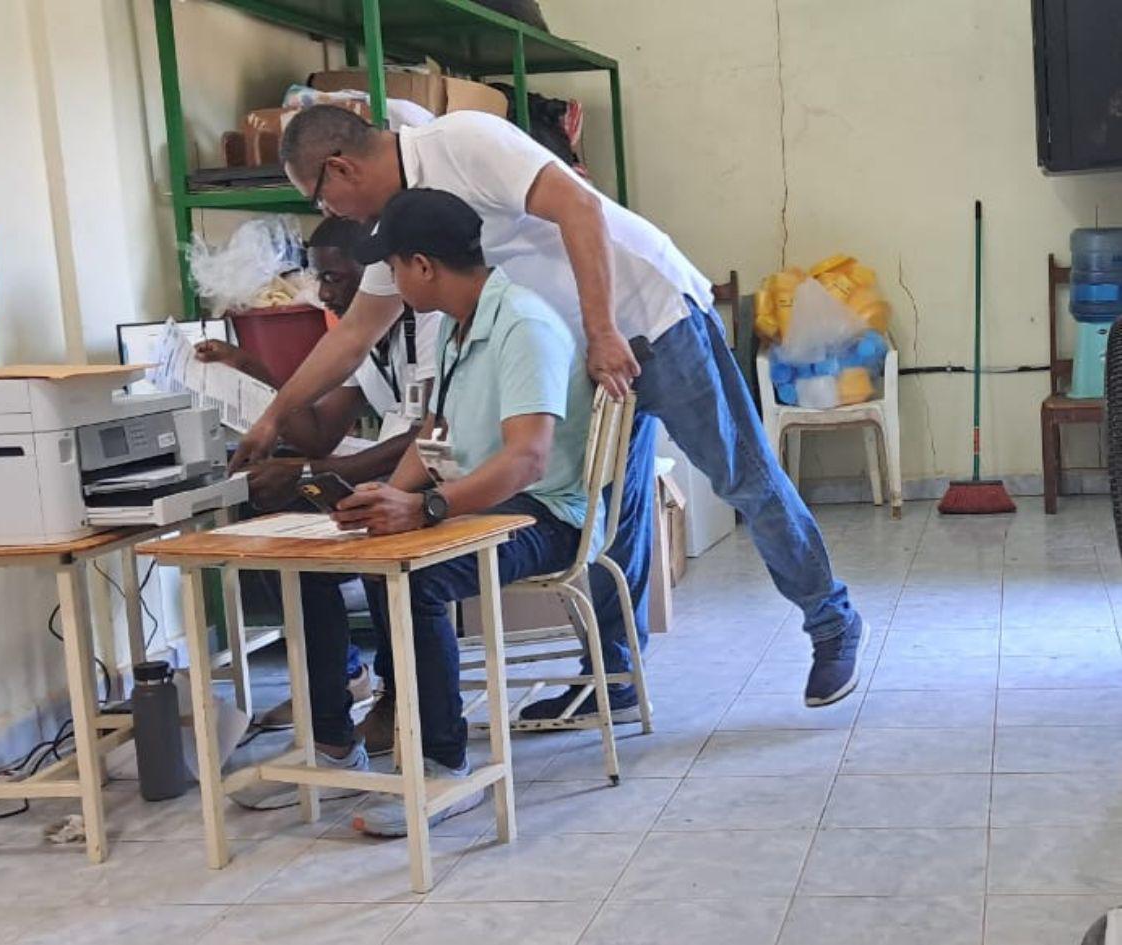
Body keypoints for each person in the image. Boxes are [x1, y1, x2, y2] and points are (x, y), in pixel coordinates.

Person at [232, 105, 868, 713]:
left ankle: (831, 621)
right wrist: (270, 419)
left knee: (740, 475)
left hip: (648, 319)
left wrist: (601, 332)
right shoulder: (404, 226)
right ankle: (614, 674)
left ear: (340, 167)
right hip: (579, 346)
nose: (325, 210)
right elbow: (351, 336)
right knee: (605, 509)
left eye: (317, 197)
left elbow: (578, 206)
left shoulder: (462, 142)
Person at [305, 188, 594, 836]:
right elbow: (432, 436)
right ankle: (341, 740)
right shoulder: (458, 327)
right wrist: (385, 498)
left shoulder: (522, 324)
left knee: (421, 577)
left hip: (548, 514)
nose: (393, 283)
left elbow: (528, 461)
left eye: (395, 268)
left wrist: (425, 506)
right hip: (487, 497)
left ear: (423, 266)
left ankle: (445, 765)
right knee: (366, 552)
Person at [196, 216, 440, 737]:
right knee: (270, 519)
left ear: (381, 277)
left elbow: (435, 435)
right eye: (319, 278)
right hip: (388, 473)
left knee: (373, 522)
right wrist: (251, 368)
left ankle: (398, 694)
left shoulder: (430, 324)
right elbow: (318, 434)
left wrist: (313, 472)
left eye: (335, 278)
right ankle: (333, 690)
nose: (323, 293)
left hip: (436, 480)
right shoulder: (363, 343)